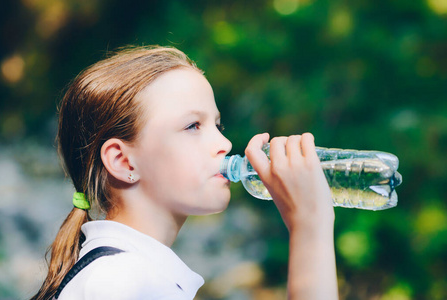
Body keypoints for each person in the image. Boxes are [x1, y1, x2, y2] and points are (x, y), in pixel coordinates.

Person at [31, 46, 338, 300]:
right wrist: (311, 225)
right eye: (193, 126)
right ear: (124, 162)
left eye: (217, 125)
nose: (225, 143)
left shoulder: (124, 274)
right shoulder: (122, 282)